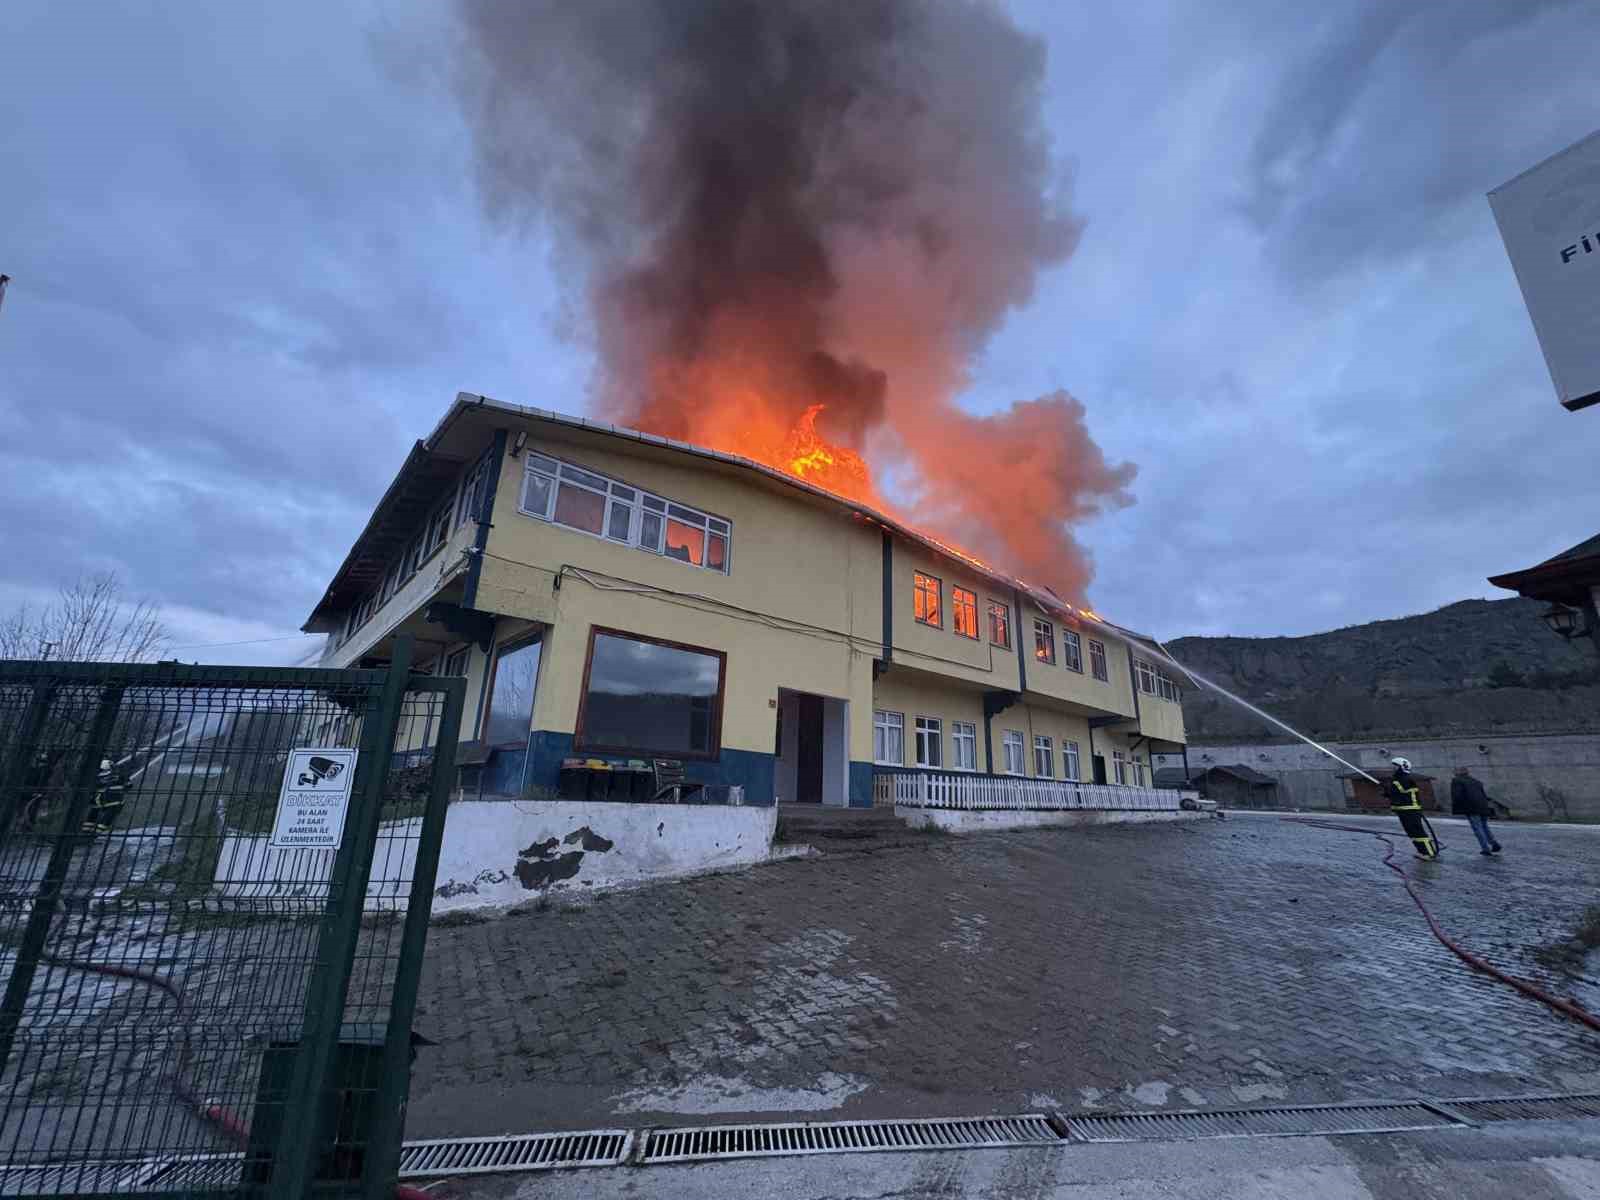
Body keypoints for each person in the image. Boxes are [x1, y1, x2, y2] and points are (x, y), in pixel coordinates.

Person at [1384, 757, 1438, 860]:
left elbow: (1399, 792)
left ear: (1402, 767)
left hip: (1410, 810)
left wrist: (1389, 791)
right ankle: (1422, 851)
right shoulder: (1399, 779)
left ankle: (1429, 853)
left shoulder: (1404, 779)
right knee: (1412, 832)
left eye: (1395, 766)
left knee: (1418, 832)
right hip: (1404, 810)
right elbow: (1398, 794)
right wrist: (1388, 792)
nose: (1393, 769)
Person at [1451, 766, 1502, 856]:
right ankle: (1494, 843)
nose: (1454, 772)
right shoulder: (1477, 782)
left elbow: (1457, 796)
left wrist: (1458, 807)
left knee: (1477, 828)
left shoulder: (1457, 781)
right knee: (1484, 826)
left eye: (1455, 771)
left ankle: (1485, 849)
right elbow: (1483, 795)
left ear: (1459, 773)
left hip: (1471, 808)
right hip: (1482, 807)